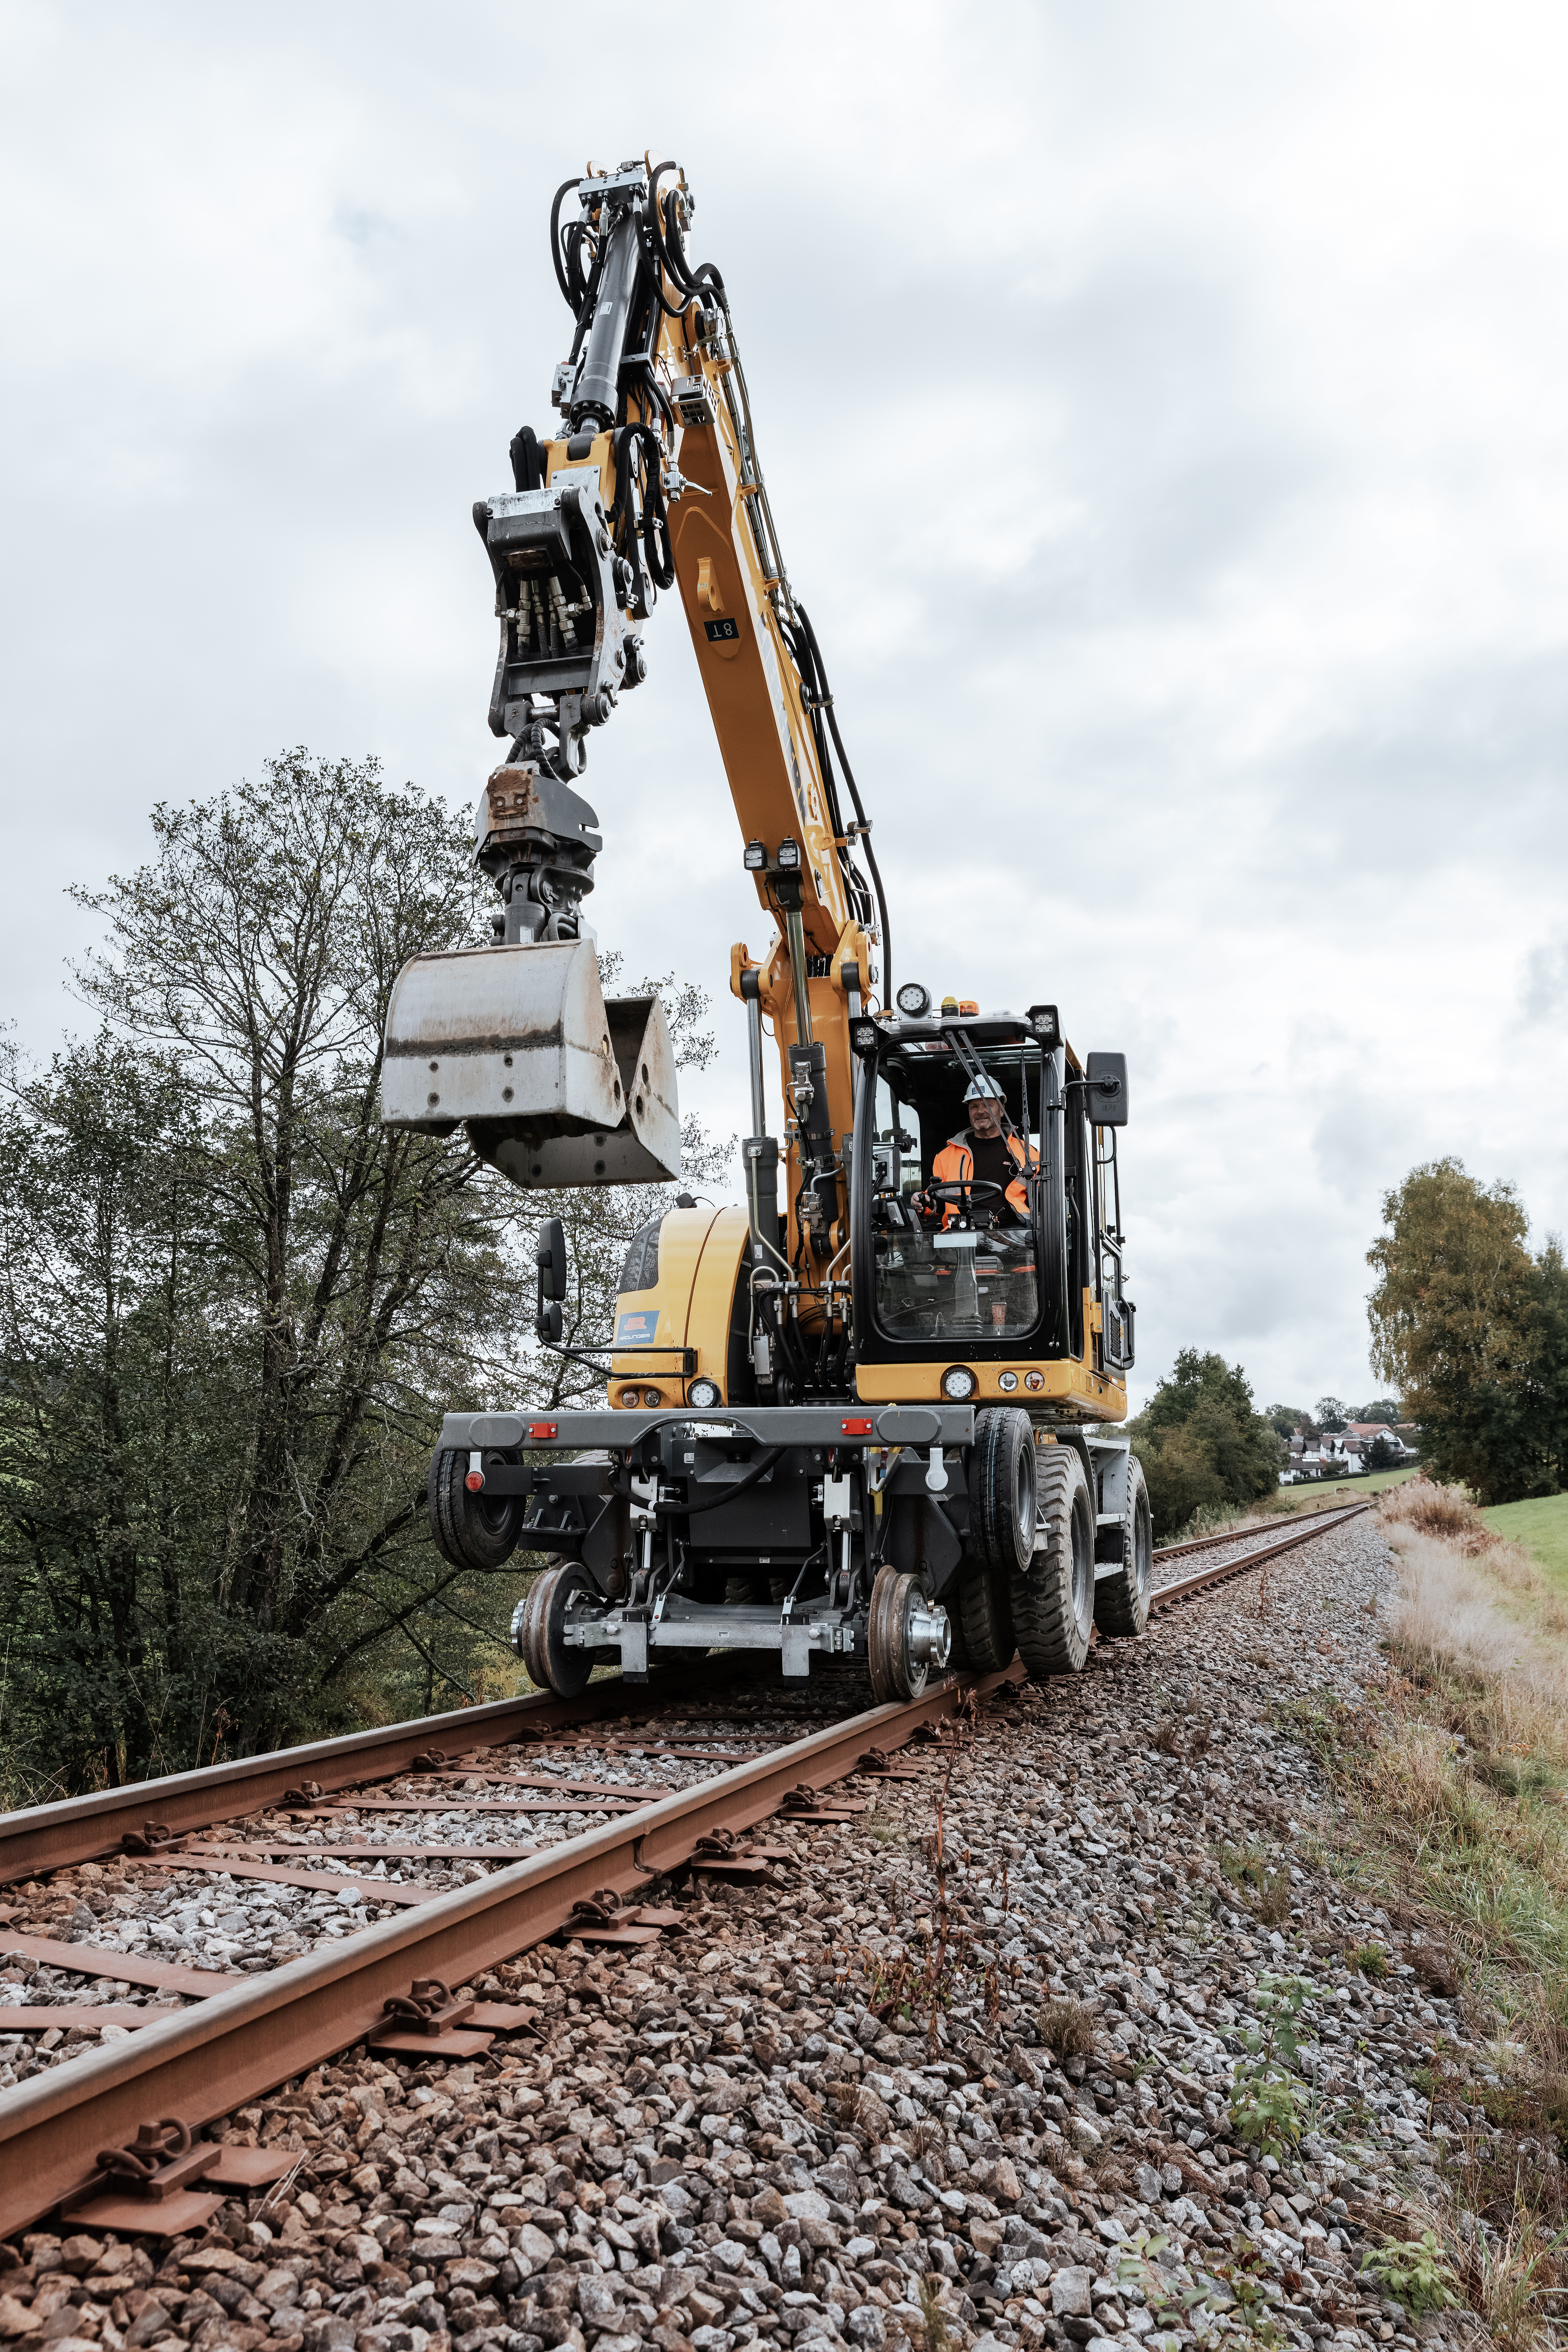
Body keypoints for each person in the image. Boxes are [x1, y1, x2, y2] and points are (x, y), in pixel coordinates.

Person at [916, 1074, 1031, 1227]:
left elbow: (1044, 1202)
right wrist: (923, 1201)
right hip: (959, 1236)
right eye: (974, 1106)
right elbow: (937, 1204)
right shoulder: (945, 1157)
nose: (980, 1111)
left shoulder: (1027, 1153)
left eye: (987, 1105)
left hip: (1014, 1237)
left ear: (1002, 1110)